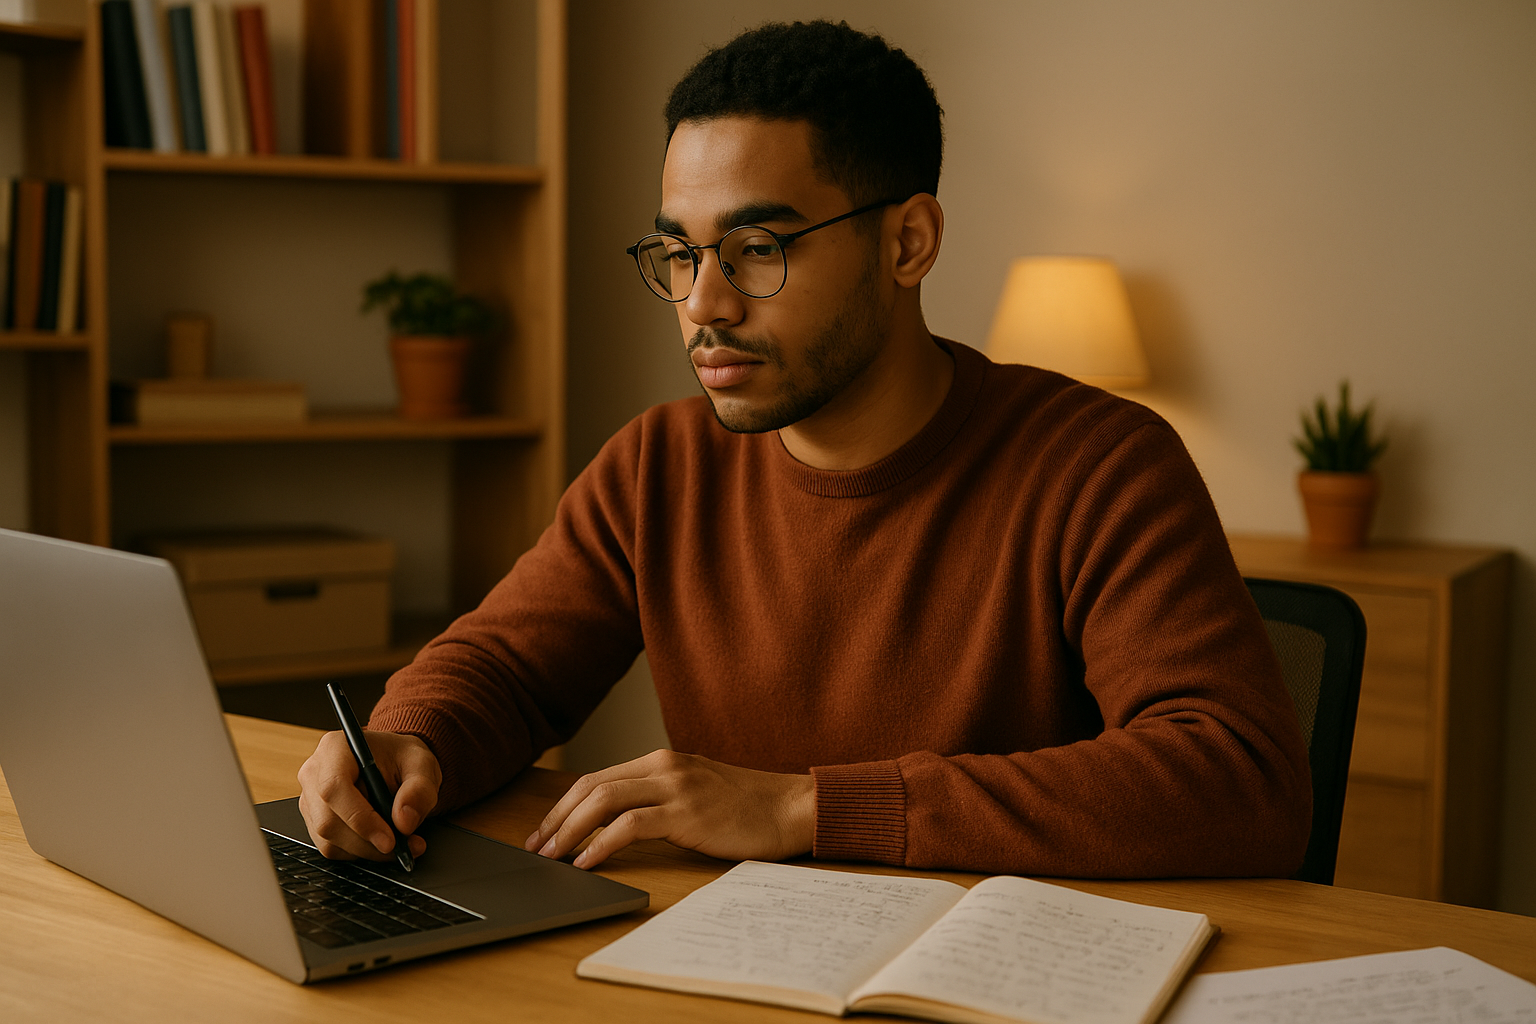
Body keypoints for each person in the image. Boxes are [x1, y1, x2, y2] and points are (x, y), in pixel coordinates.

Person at [298, 20, 1311, 879]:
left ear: (908, 243)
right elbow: (507, 668)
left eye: (758, 250)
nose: (704, 302)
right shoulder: (662, 465)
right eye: (683, 252)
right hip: (737, 964)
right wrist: (407, 737)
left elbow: (1236, 778)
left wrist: (801, 810)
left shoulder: (1099, 465)